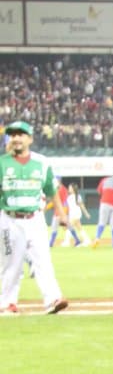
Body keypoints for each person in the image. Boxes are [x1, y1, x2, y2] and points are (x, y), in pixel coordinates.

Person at [0, 120, 69, 314]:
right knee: (10, 264)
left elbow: (51, 190)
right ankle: (7, 303)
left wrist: (62, 214)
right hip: (9, 219)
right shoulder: (2, 163)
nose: (16, 139)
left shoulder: (42, 162)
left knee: (43, 260)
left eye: (21, 135)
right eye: (12, 135)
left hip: (35, 217)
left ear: (30, 139)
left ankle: (53, 299)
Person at [93, 167, 113, 247]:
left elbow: (99, 191)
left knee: (102, 222)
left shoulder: (105, 180)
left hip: (105, 203)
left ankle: (97, 238)